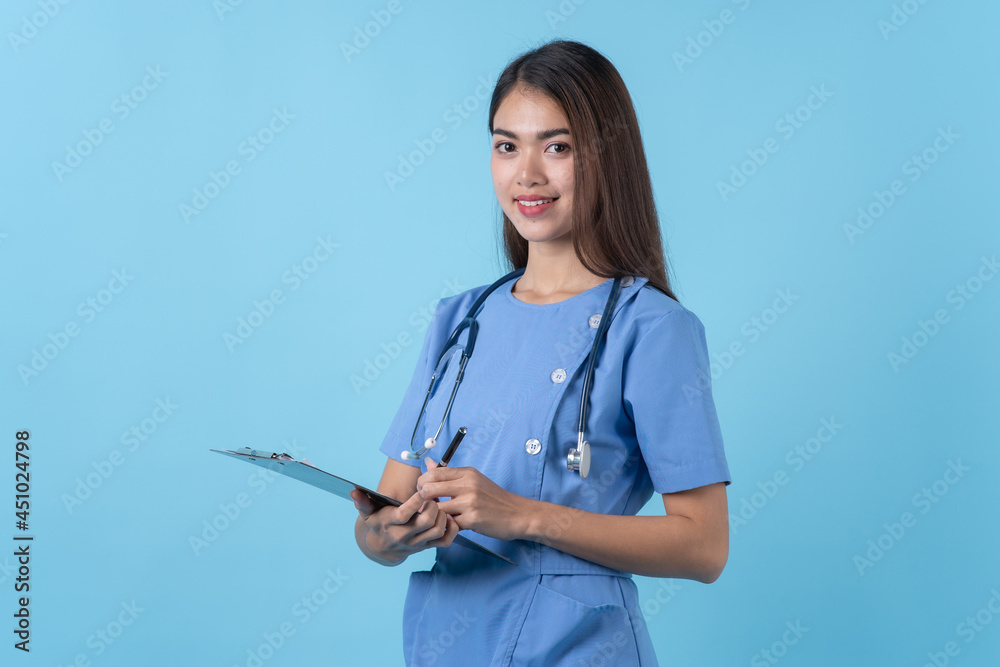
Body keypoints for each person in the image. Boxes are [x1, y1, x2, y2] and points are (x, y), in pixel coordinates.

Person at [351, 39, 731, 666]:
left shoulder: (654, 329)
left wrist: (523, 515)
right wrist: (390, 534)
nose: (527, 174)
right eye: (507, 146)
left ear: (607, 158)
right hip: (450, 642)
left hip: (576, 647)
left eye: (557, 147)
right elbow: (377, 526)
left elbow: (705, 547)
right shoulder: (459, 319)